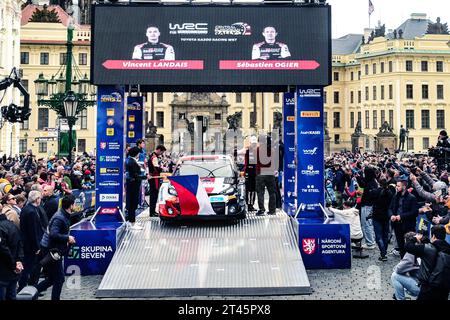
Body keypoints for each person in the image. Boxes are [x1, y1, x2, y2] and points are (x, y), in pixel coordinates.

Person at [35, 195, 77, 300]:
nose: (76, 205)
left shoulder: (64, 214)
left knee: (52, 278)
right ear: (71, 205)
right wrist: (68, 238)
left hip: (53, 249)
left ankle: (32, 291)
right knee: (59, 278)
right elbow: (53, 234)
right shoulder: (59, 217)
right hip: (51, 251)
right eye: (75, 203)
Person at [405, 225, 450, 300]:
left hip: (428, 288)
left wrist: (415, 238)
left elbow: (408, 246)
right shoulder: (447, 248)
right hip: (444, 289)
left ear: (433, 236)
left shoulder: (429, 249)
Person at [18, 190, 47, 291]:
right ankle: (22, 288)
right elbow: (33, 231)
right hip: (30, 246)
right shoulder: (31, 212)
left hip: (28, 244)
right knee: (28, 268)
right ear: (36, 199)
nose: (40, 200)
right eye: (39, 198)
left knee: (29, 268)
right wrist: (37, 247)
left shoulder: (28, 209)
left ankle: (27, 288)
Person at [389, 178, 418, 258]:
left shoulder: (412, 198)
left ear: (404, 187)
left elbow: (414, 212)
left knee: (409, 246)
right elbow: (390, 208)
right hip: (397, 225)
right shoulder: (395, 196)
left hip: (407, 225)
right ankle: (403, 261)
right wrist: (391, 215)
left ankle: (410, 263)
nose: (396, 187)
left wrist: (401, 216)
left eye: (398, 186)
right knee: (401, 245)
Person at [0, 208, 23, 300]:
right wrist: (18, 261)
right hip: (12, 269)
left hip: (4, 270)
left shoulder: (2, 227)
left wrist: (15, 264)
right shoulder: (12, 225)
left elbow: (3, 250)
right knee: (11, 295)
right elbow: (20, 244)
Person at [391, 232, 420, 300]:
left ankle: (400, 298)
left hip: (421, 288)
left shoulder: (411, 252)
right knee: (404, 279)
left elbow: (398, 269)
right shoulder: (423, 248)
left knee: (395, 276)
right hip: (429, 287)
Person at [372, 178, 394, 261]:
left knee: (378, 235)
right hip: (386, 216)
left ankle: (383, 253)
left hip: (377, 215)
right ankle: (384, 252)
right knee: (385, 235)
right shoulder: (390, 193)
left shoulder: (375, 192)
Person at [255, 135, 276, 215]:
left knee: (260, 192)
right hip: (270, 173)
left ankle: (262, 210)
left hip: (260, 174)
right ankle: (272, 210)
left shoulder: (257, 150)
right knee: (272, 192)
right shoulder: (272, 150)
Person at [126, 147, 145, 229]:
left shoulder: (132, 161)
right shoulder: (132, 162)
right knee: (132, 204)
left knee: (133, 203)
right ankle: (132, 222)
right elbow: (135, 175)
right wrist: (145, 177)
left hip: (134, 185)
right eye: (138, 153)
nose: (139, 154)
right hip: (133, 185)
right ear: (136, 154)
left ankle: (132, 221)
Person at [148, 145, 166, 217]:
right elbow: (156, 168)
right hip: (154, 177)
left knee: (154, 195)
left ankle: (152, 211)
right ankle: (152, 212)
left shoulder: (153, 155)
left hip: (153, 177)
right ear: (158, 150)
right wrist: (162, 169)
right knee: (154, 195)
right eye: (161, 152)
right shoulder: (154, 157)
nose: (161, 154)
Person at [243, 136, 258, 212]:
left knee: (253, 190)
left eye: (255, 144)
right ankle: (249, 205)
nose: (254, 145)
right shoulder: (248, 151)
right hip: (249, 173)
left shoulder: (255, 151)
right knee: (249, 190)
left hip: (254, 173)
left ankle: (251, 205)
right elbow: (246, 164)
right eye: (253, 144)